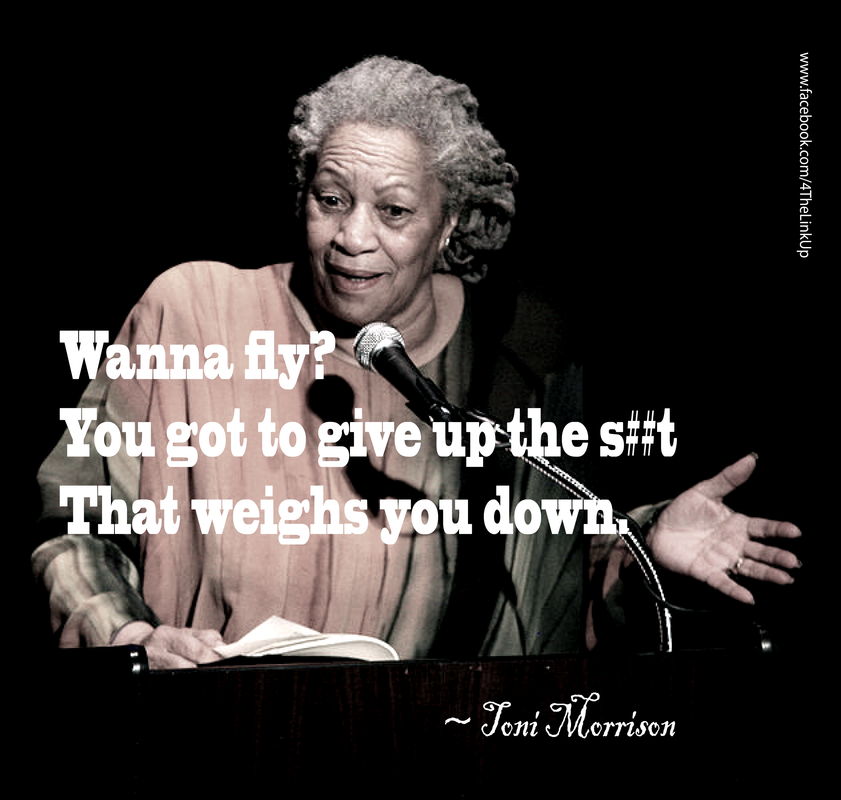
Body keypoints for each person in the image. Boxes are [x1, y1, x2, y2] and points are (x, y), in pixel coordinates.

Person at [32, 56, 802, 669]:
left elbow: (548, 580)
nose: (351, 237)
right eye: (330, 198)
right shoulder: (192, 311)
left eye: (393, 210)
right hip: (219, 740)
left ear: (450, 221)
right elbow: (73, 525)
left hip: (438, 758)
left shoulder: (519, 354)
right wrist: (129, 639)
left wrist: (642, 550)